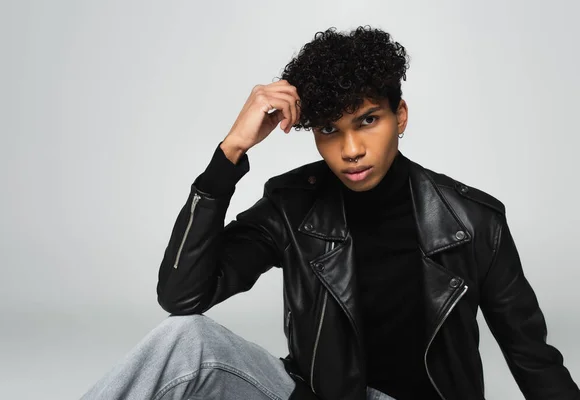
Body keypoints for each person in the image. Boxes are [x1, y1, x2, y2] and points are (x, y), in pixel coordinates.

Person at [80, 25, 580, 400]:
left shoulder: (475, 223)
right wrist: (231, 151)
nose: (352, 149)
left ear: (399, 116)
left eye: (368, 121)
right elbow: (183, 295)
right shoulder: (292, 205)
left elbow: (532, 357)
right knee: (184, 339)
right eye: (329, 130)